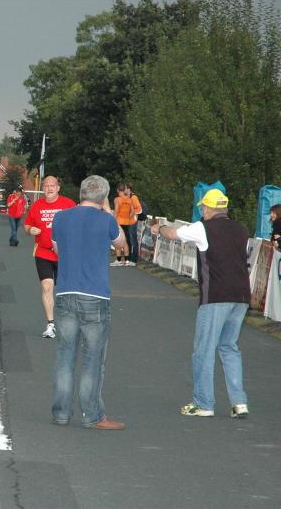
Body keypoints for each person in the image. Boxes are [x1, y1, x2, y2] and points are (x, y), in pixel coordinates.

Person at [151, 189, 251, 418]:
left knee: (204, 350)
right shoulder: (241, 229)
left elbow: (173, 234)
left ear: (207, 208)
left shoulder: (202, 228)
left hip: (215, 295)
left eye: (203, 208)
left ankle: (204, 403)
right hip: (241, 296)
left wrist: (159, 228)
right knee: (229, 347)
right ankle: (239, 403)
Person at [51, 175, 127, 430]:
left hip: (65, 291)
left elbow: (57, 249)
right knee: (93, 358)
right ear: (103, 197)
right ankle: (92, 415)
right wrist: (109, 212)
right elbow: (121, 244)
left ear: (81, 193)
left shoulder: (61, 217)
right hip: (95, 294)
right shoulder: (106, 220)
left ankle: (61, 413)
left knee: (65, 355)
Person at [24, 176, 76, 339]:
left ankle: (70, 323)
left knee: (65, 291)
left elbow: (78, 224)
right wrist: (30, 230)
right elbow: (27, 224)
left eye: (52, 185)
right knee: (47, 287)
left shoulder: (69, 204)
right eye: (46, 186)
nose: (49, 188)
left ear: (58, 188)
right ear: (43, 188)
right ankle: (51, 324)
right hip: (43, 252)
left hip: (64, 254)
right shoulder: (37, 206)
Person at [111, 183, 142, 266]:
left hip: (123, 222)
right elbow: (132, 211)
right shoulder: (129, 199)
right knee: (126, 242)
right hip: (127, 222)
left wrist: (114, 220)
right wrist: (128, 217)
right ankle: (127, 260)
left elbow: (116, 211)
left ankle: (122, 260)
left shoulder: (120, 199)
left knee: (121, 241)